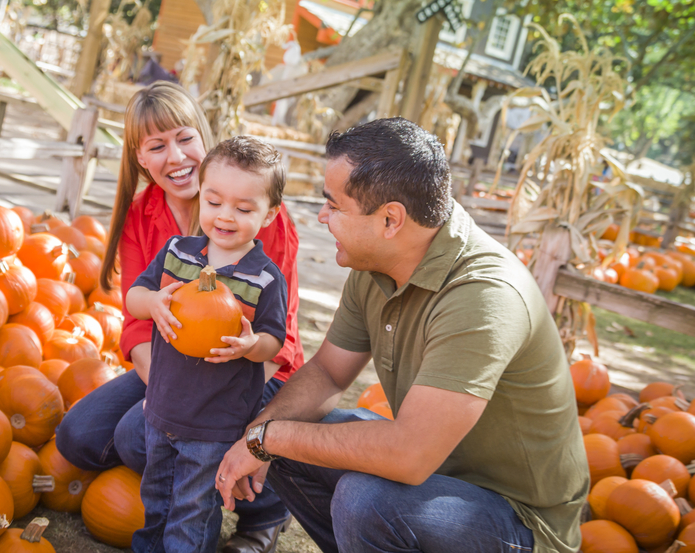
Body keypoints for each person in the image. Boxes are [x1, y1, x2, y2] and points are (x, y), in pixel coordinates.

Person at [215, 118, 589, 553]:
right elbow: (330, 374)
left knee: (362, 497)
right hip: (434, 478)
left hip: (520, 523)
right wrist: (259, 433)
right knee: (271, 410)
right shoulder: (376, 260)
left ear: (391, 219)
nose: (322, 216)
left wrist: (268, 441)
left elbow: (408, 457)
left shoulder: (485, 297)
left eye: (333, 206)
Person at [55, 82, 303, 553]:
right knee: (81, 435)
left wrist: (230, 415)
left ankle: (262, 509)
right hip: (169, 363)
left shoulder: (258, 214)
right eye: (157, 145)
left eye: (184, 138)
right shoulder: (145, 217)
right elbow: (136, 316)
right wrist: (163, 394)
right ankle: (174, 475)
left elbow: (280, 340)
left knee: (136, 435)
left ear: (203, 138)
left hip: (247, 369)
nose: (176, 156)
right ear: (140, 158)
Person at [127, 136, 289, 553]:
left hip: (214, 423)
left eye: (244, 208)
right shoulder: (177, 253)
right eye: (214, 202)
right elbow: (133, 297)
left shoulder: (265, 278)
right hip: (161, 408)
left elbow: (274, 340)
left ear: (270, 214)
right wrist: (153, 302)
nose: (225, 216)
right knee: (156, 503)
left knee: (192, 512)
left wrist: (251, 344)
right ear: (201, 195)